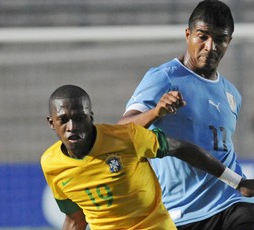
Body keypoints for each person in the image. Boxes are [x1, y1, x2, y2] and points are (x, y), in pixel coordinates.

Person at [118, 0, 254, 229]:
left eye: (220, 39)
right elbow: (121, 131)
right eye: (203, 36)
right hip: (183, 212)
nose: (211, 46)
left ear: (228, 41)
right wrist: (155, 112)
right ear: (188, 34)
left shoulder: (232, 94)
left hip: (230, 202)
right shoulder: (164, 78)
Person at [41, 84, 254, 230]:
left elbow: (180, 148)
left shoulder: (126, 138)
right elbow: (74, 219)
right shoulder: (51, 164)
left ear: (91, 117)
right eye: (63, 120)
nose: (72, 127)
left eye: (79, 118)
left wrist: (235, 181)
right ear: (52, 123)